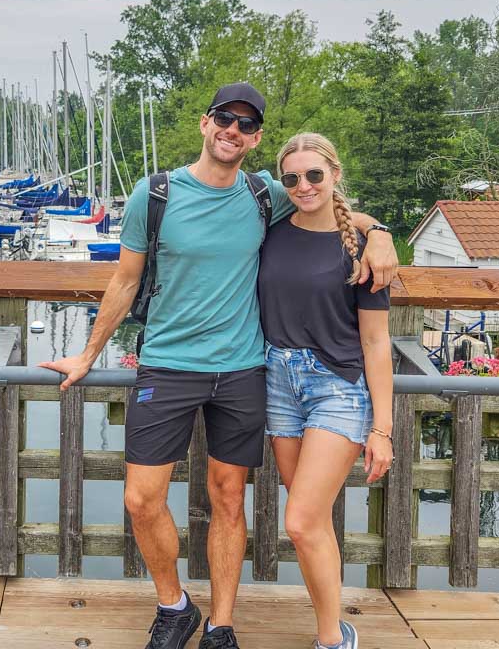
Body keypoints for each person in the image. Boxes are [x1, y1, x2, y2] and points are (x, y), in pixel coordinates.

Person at [41, 83, 397, 649]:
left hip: (244, 369)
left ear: (255, 140)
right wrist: (87, 354)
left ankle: (222, 625)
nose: (234, 130)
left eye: (247, 125)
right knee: (141, 498)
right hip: (167, 363)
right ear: (205, 124)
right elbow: (125, 280)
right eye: (224, 119)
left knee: (229, 497)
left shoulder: (264, 195)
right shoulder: (153, 194)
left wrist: (379, 234)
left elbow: (333, 206)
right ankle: (174, 605)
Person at [258, 133, 395, 649]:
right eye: (291, 177)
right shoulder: (270, 231)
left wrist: (381, 428)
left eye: (314, 174)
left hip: (337, 386)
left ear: (335, 175)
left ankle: (331, 641)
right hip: (277, 381)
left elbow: (376, 342)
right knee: (310, 522)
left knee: (299, 521)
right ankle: (334, 628)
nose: (303, 185)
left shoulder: (359, 246)